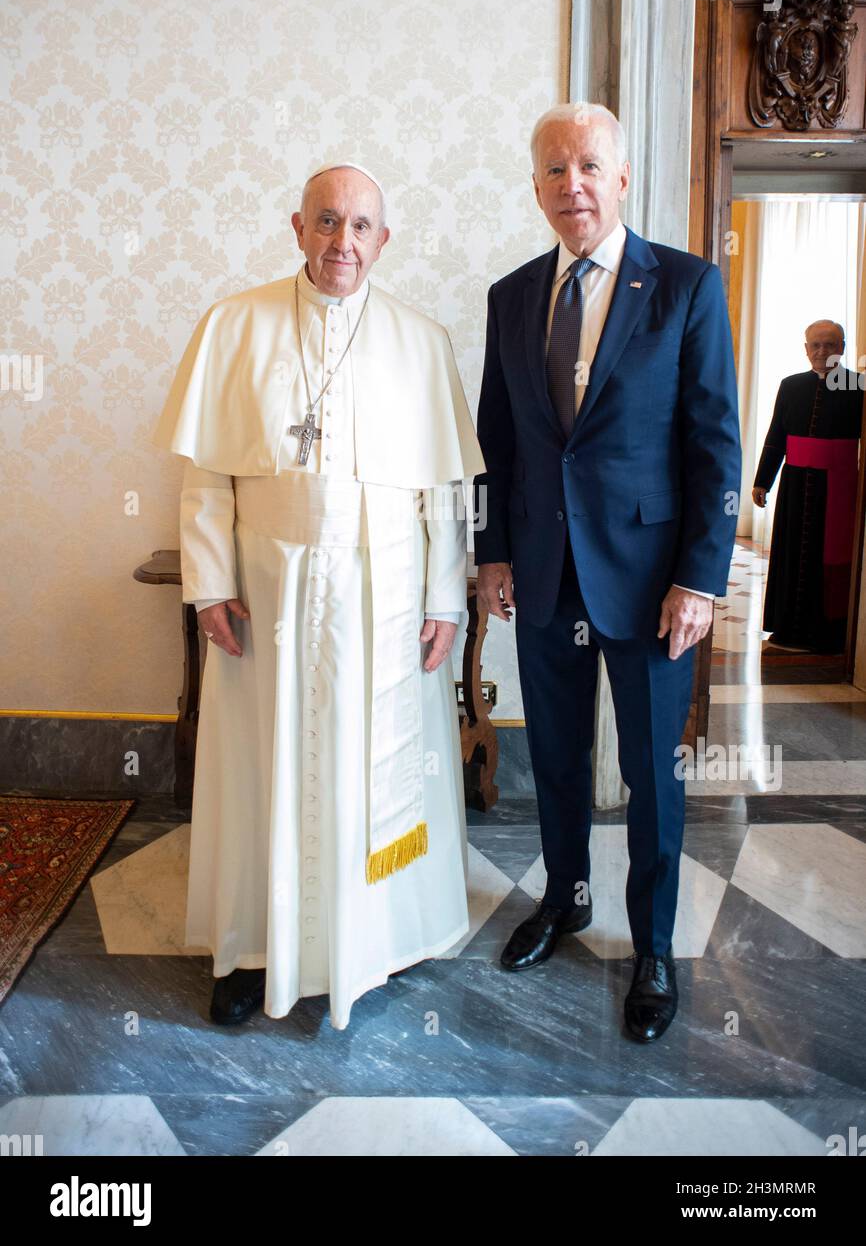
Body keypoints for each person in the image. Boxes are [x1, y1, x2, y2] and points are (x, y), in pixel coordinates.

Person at [151, 162, 484, 1030]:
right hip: (269, 586)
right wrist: (210, 583)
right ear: (296, 228)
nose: (345, 242)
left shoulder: (422, 338)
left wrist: (447, 599)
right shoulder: (234, 324)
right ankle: (251, 946)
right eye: (327, 222)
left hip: (386, 587)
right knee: (264, 762)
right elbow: (204, 476)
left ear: (384, 238)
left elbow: (445, 492)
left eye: (362, 226)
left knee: (375, 762)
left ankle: (375, 936)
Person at [472, 103, 741, 1043]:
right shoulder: (510, 297)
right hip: (545, 573)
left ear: (623, 178)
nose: (571, 184)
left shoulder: (687, 287)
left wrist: (700, 581)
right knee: (553, 760)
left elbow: (716, 445)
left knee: (653, 777)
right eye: (553, 169)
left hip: (652, 581)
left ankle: (655, 945)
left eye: (589, 166)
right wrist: (492, 551)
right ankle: (566, 900)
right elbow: (495, 446)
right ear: (536, 186)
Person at [753, 320, 862, 653]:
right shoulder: (790, 385)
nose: (821, 351)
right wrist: (762, 481)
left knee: (830, 559)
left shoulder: (859, 387)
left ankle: (828, 633)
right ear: (805, 348)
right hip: (795, 483)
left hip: (840, 487)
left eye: (829, 345)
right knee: (791, 553)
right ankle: (787, 627)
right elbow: (776, 437)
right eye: (815, 345)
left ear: (841, 347)